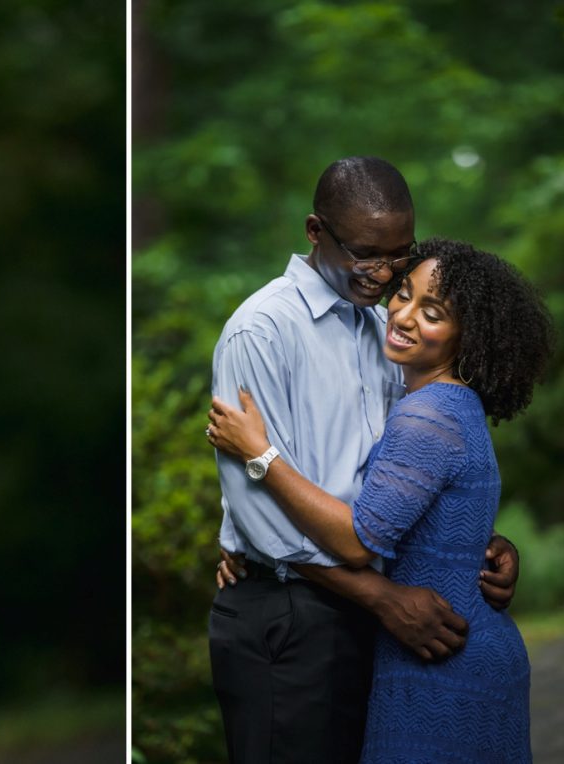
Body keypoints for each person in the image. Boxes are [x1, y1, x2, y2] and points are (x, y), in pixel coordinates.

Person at [204, 157, 520, 763]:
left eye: (400, 256)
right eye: (366, 254)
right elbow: (263, 524)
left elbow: (408, 481)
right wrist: (380, 597)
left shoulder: (384, 330)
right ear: (315, 231)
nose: (383, 274)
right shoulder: (262, 332)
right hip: (293, 616)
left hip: (376, 618)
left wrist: (476, 540)